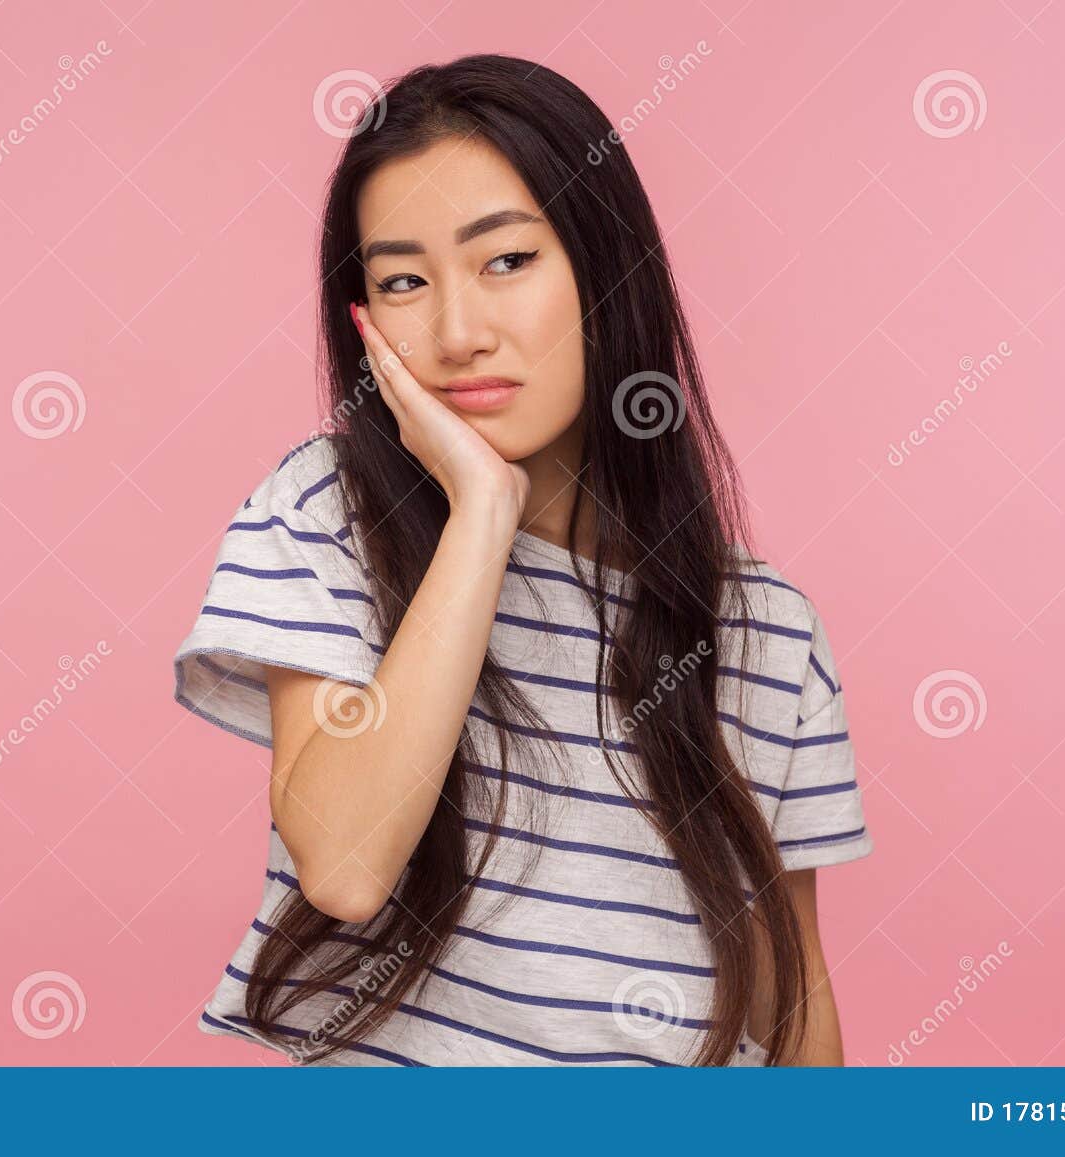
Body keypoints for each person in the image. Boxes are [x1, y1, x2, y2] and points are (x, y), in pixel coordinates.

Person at [171, 53, 873, 1067]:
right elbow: (347, 864)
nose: (458, 332)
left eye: (506, 260)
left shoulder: (766, 633)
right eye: (403, 281)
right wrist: (479, 515)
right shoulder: (323, 515)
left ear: (605, 264)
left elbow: (793, 998)